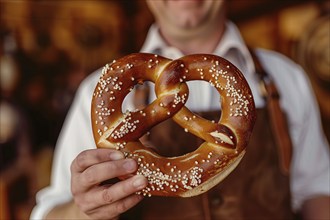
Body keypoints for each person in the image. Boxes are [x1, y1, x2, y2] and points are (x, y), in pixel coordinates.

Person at [30, 1, 330, 219]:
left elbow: (318, 192)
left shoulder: (287, 78)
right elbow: (47, 213)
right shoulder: (93, 92)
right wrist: (83, 211)